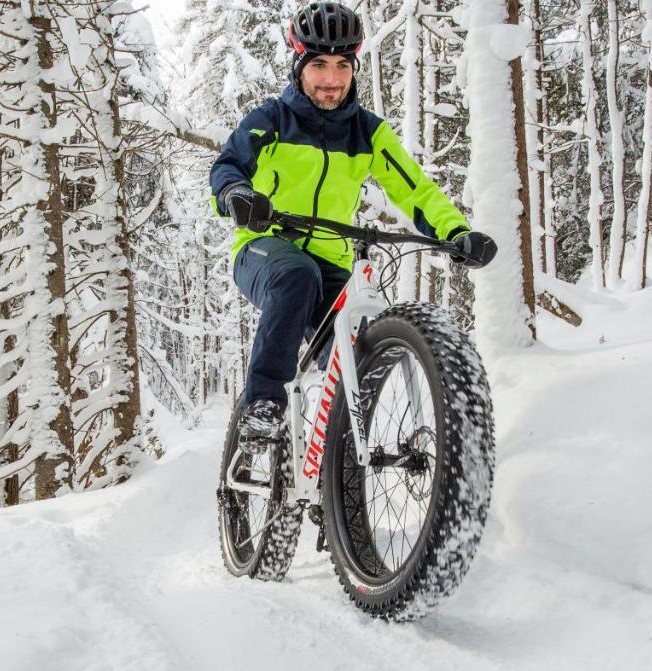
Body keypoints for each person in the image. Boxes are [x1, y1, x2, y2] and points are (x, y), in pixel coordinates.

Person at [210, 1, 496, 448]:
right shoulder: (270, 121)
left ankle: (341, 476)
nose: (332, 78)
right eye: (320, 64)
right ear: (300, 65)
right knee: (295, 275)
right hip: (264, 248)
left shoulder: (367, 133)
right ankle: (263, 405)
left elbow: (416, 192)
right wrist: (238, 197)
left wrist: (456, 232)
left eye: (342, 64)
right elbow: (228, 168)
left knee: (358, 346)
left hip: (330, 259)